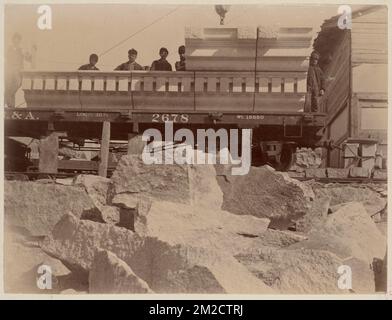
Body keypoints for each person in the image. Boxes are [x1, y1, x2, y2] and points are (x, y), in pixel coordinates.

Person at [5, 33, 33, 108]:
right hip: (9, 72)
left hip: (18, 71)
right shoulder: (8, 49)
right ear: (13, 40)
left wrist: (32, 52)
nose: (16, 41)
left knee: (16, 86)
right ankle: (11, 106)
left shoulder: (21, 50)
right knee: (8, 87)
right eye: (15, 39)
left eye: (18, 40)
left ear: (19, 41)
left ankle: (8, 100)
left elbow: (29, 58)